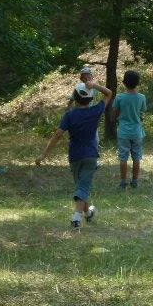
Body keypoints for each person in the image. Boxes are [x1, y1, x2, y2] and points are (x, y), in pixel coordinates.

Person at [35, 80, 113, 228]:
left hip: (75, 156)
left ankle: (81, 216)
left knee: (81, 186)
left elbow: (57, 135)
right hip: (91, 155)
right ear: (90, 99)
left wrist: (44, 155)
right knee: (82, 187)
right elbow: (109, 93)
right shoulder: (95, 111)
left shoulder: (69, 115)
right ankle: (83, 215)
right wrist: (94, 85)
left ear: (75, 97)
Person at [112, 70, 146, 189]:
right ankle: (135, 181)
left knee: (123, 157)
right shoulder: (142, 97)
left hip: (123, 132)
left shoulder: (119, 97)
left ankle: (123, 182)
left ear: (124, 82)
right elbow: (142, 114)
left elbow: (115, 113)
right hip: (137, 131)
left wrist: (117, 119)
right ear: (137, 83)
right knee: (137, 157)